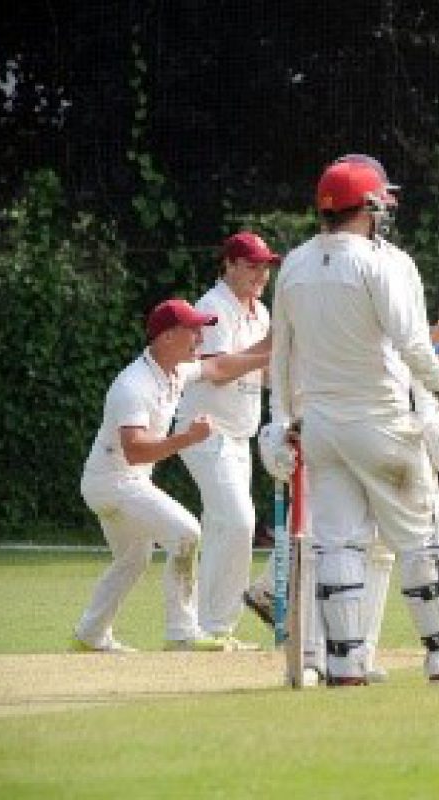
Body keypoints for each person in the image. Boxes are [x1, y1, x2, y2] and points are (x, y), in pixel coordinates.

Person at [268, 157, 439, 685]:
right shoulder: (380, 263)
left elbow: (281, 354)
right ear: (366, 208)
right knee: (420, 541)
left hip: (321, 426)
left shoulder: (294, 264)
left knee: (339, 543)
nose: (384, 210)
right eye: (380, 203)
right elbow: (412, 342)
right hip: (382, 421)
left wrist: (284, 418)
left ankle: (343, 665)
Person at [72, 298, 270, 653]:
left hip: (118, 482)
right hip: (115, 483)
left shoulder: (177, 370)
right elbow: (134, 449)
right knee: (186, 533)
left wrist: (272, 356)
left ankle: (90, 634)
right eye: (192, 330)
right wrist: (187, 439)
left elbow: (221, 366)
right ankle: (182, 632)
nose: (200, 336)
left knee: (133, 561)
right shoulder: (133, 386)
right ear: (165, 338)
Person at [174, 231, 277, 651]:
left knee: (224, 526)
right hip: (205, 431)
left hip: (239, 434)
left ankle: (207, 629)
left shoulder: (260, 312)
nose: (260, 274)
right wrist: (272, 350)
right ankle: (214, 626)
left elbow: (267, 373)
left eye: (265, 266)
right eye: (251, 265)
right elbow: (214, 369)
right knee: (238, 521)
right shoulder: (212, 308)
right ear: (229, 265)